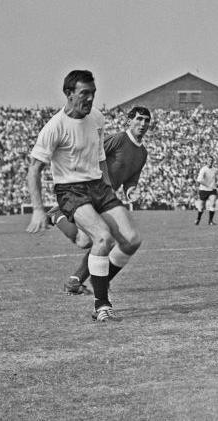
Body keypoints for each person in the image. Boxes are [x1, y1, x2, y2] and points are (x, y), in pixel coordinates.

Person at [26, 70, 142, 323]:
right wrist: (36, 209)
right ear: (68, 94)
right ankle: (101, 305)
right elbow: (34, 169)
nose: (90, 99)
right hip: (71, 190)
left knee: (132, 240)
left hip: (98, 186)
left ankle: (101, 279)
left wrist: (109, 189)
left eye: (93, 93)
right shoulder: (54, 127)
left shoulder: (97, 118)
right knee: (102, 238)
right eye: (84, 94)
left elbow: (101, 158)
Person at [49, 106, 152, 295]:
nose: (142, 124)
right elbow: (94, 153)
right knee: (99, 240)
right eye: (139, 119)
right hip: (91, 190)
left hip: (106, 199)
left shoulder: (142, 153)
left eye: (146, 120)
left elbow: (131, 179)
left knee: (90, 241)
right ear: (129, 120)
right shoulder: (120, 139)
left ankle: (78, 281)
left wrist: (132, 191)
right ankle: (57, 216)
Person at [195, 156, 218, 225]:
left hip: (212, 189)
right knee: (202, 207)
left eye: (211, 160)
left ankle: (210, 221)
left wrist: (216, 185)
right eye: (209, 160)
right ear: (207, 161)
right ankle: (198, 219)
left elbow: (215, 179)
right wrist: (208, 185)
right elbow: (199, 180)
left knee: (213, 203)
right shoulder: (203, 169)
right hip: (203, 190)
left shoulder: (215, 170)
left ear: (213, 161)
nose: (210, 161)